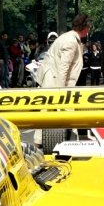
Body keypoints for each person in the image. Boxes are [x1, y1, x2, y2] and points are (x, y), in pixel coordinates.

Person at [34, 13, 90, 147]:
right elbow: (63, 67)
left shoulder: (68, 37)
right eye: (88, 27)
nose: (89, 30)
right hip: (54, 79)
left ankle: (38, 142)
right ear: (85, 27)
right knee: (64, 109)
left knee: (47, 110)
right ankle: (76, 142)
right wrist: (61, 90)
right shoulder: (71, 41)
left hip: (52, 77)